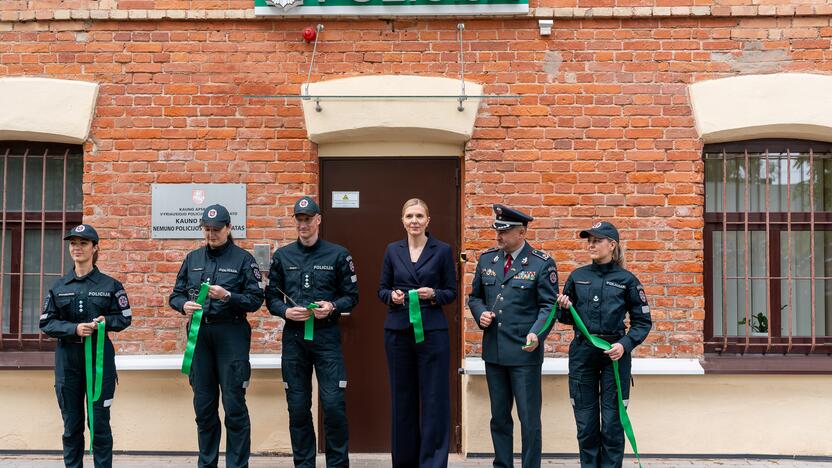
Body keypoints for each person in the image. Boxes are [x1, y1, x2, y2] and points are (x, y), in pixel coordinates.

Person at [265, 196, 359, 468]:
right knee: (297, 408)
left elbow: (351, 296)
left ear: (318, 220)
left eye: (308, 219)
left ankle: (337, 464)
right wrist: (285, 311)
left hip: (327, 338)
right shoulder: (283, 256)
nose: (303, 224)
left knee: (333, 406)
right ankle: (304, 464)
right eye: (299, 219)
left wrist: (331, 306)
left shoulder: (338, 254)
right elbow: (271, 298)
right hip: (294, 341)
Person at [168, 204, 264, 468]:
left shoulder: (243, 259)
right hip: (199, 336)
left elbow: (256, 300)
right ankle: (207, 463)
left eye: (216, 230)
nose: (211, 234)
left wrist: (228, 295)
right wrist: (182, 305)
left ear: (228, 228)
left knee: (234, 405)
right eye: (207, 229)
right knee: (204, 406)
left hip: (230, 333)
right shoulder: (193, 259)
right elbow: (175, 295)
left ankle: (237, 464)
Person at [467, 204, 559, 468]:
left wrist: (536, 333)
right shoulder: (487, 260)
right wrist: (480, 313)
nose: (498, 237)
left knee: (529, 419)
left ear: (522, 232)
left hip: (524, 353)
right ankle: (503, 465)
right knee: (499, 417)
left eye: (505, 232)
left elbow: (548, 306)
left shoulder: (541, 263)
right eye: (497, 230)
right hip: (494, 351)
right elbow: (475, 297)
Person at [555, 221, 652, 468]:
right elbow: (566, 318)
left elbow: (642, 322)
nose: (591, 245)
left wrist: (625, 345)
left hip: (615, 357)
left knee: (612, 425)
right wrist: (563, 307)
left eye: (597, 240)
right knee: (586, 425)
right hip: (583, 355)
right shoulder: (578, 276)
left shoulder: (627, 280)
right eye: (589, 240)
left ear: (612, 245)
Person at [40, 224, 133, 468]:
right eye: (73, 243)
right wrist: (73, 329)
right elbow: (46, 323)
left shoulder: (110, 285)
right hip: (68, 362)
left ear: (95, 248)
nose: (77, 248)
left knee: (100, 424)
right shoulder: (59, 286)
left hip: (99, 361)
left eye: (83, 243)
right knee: (72, 425)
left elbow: (125, 318)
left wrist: (106, 322)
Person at [378, 198, 457, 468]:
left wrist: (434, 294)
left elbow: (451, 293)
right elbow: (381, 289)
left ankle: (433, 462)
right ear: (402, 220)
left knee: (434, 399)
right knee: (403, 398)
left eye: (419, 216)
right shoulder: (392, 250)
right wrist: (393, 296)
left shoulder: (443, 250)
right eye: (410, 216)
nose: (414, 221)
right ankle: (404, 461)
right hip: (398, 333)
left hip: (433, 333)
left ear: (428, 220)